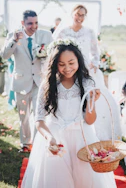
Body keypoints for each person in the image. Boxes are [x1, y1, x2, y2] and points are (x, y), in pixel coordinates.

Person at [21, 39, 117, 188]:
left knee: (85, 179)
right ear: (55, 64)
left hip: (82, 137)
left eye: (71, 62)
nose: (67, 68)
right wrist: (49, 138)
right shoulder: (47, 85)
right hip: (56, 138)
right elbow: (39, 120)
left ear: (78, 60)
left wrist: (91, 102)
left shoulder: (87, 83)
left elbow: (90, 121)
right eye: (62, 64)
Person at [54, 4, 122, 141]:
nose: (80, 17)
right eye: (77, 14)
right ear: (72, 14)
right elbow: (55, 50)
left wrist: (95, 63)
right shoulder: (63, 32)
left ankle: (97, 133)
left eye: (82, 15)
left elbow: (95, 52)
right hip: (69, 70)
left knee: (94, 99)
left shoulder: (89, 32)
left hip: (87, 69)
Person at [1, 10, 53, 152]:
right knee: (23, 115)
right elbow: (4, 55)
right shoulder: (14, 35)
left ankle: (37, 145)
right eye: (30, 23)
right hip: (21, 81)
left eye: (36, 22)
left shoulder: (46, 35)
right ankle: (25, 143)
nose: (34, 26)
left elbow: (53, 54)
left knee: (39, 114)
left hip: (39, 81)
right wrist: (14, 40)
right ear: (23, 23)